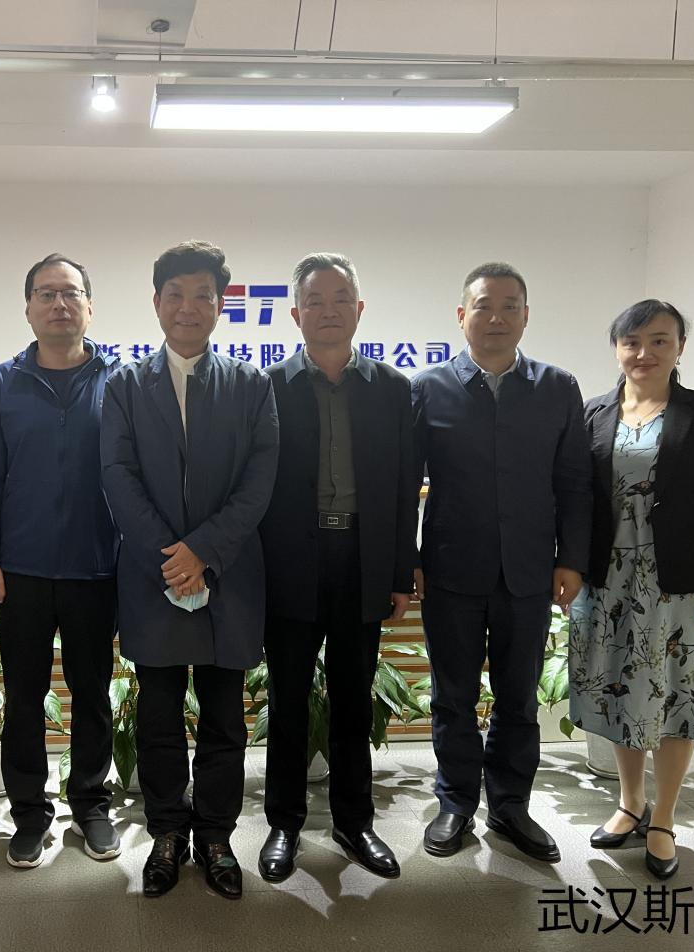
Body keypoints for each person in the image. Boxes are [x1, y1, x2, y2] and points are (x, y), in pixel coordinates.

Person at [101, 240, 279, 900]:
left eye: (202, 295)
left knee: (225, 721)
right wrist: (173, 558)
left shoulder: (250, 384)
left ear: (219, 305)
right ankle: (168, 834)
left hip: (229, 576)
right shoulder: (124, 386)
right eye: (174, 294)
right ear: (156, 303)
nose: (187, 307)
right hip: (154, 578)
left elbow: (260, 478)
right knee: (158, 720)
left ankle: (217, 836)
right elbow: (117, 476)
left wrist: (204, 550)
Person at [411, 261, 591, 863]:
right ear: (461, 315)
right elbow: (403, 482)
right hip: (451, 571)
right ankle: (456, 802)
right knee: (453, 697)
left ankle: (511, 806)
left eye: (509, 306)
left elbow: (574, 482)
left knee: (518, 699)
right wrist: (407, 558)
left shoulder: (557, 387)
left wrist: (571, 559)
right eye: (484, 306)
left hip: (529, 572)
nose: (496, 317)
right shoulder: (427, 388)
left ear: (526, 316)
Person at [570, 300, 694, 880]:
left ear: (679, 347)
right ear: (616, 348)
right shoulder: (594, 413)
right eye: (632, 341)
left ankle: (665, 818)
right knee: (623, 691)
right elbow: (576, 500)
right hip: (608, 585)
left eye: (659, 340)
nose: (644, 352)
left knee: (676, 699)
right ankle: (631, 803)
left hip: (679, 586)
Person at [257, 253, 417, 882]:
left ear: (359, 309)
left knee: (353, 699)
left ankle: (355, 823)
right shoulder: (268, 387)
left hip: (361, 558)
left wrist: (399, 574)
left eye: (340, 299)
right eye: (315, 301)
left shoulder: (392, 389)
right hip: (290, 562)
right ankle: (283, 824)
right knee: (288, 701)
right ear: (295, 314)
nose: (329, 311)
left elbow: (404, 489)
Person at [0, 253, 123, 869]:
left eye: (71, 293)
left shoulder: (121, 380)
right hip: (22, 571)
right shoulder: (0, 383)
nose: (60, 304)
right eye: (46, 294)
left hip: (97, 568)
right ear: (28, 308)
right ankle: (29, 814)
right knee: (25, 696)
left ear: (90, 306)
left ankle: (90, 804)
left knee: (93, 695)